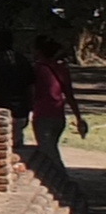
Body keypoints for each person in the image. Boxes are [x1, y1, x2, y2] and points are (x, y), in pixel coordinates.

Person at [26, 35, 87, 181]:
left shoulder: (37, 69)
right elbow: (70, 95)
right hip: (59, 116)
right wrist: (78, 117)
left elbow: (32, 92)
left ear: (38, 51)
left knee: (48, 152)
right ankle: (53, 180)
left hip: (42, 115)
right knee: (51, 149)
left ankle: (62, 181)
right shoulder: (61, 69)